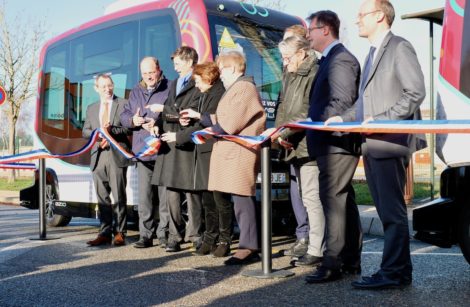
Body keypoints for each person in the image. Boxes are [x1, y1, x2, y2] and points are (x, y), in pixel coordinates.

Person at [327, 0, 426, 289]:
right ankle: (399, 271)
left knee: (392, 214)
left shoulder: (399, 47)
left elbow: (415, 92)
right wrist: (341, 118)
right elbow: (362, 105)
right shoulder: (372, 53)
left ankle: (393, 273)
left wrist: (380, 120)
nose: (356, 20)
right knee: (387, 212)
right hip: (373, 143)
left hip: (389, 142)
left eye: (361, 15)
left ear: (380, 16)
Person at [304, 10, 363, 283]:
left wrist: (317, 120)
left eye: (311, 29)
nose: (308, 35)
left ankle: (332, 263)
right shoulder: (331, 59)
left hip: (337, 143)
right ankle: (350, 259)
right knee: (344, 200)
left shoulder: (340, 60)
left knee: (333, 202)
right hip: (332, 143)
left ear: (325, 29)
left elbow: (342, 102)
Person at [207, 51, 266, 265]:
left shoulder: (244, 88)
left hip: (240, 152)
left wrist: (209, 128)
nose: (220, 74)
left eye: (221, 69)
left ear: (232, 68)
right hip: (234, 152)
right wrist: (204, 119)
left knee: (243, 199)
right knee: (240, 200)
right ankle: (247, 245)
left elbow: (230, 123)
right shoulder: (238, 88)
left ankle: (249, 247)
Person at [272, 35, 324, 266]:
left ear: (302, 54)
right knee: (305, 196)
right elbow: (284, 107)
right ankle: (314, 245)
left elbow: (305, 111)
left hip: (309, 145)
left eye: (287, 57)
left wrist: (282, 133)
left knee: (312, 198)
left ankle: (317, 249)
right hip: (294, 143)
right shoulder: (291, 74)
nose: (285, 62)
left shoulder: (314, 73)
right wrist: (278, 134)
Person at [148, 46, 203, 252]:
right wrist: (156, 125)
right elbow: (170, 113)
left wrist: (165, 110)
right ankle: (174, 236)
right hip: (169, 144)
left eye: (178, 61)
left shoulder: (198, 83)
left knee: (192, 193)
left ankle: (196, 235)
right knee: (171, 192)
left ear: (189, 62)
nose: (175, 65)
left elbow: (190, 113)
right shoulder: (174, 84)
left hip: (186, 143)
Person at [178, 62, 228, 257]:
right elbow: (202, 119)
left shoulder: (219, 92)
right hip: (204, 149)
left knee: (220, 199)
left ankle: (224, 239)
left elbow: (216, 120)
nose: (197, 85)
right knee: (208, 199)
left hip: (214, 148)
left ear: (208, 78)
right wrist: (188, 119)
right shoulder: (205, 93)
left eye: (198, 81)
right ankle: (210, 238)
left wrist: (198, 115)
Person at [120, 57, 171, 249]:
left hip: (164, 150)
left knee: (165, 197)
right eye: (145, 73)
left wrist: (158, 123)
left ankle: (164, 234)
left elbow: (174, 112)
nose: (149, 76)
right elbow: (124, 116)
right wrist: (133, 120)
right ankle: (146, 235)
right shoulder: (135, 91)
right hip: (142, 151)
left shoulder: (170, 87)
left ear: (159, 70)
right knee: (145, 197)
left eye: (152, 72)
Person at [82, 74, 131, 247]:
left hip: (116, 154)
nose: (107, 89)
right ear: (96, 88)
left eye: (109, 85)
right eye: (103, 86)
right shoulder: (91, 108)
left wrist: (111, 131)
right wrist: (98, 136)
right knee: (102, 197)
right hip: (98, 155)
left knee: (119, 195)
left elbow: (128, 128)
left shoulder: (124, 104)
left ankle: (119, 232)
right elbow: (85, 131)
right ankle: (104, 231)